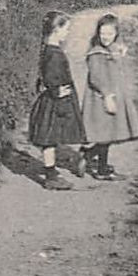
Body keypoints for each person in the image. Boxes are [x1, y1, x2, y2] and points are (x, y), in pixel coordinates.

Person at [28, 11, 87, 191]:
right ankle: (51, 176)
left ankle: (51, 173)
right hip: (55, 101)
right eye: (66, 29)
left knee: (50, 138)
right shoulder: (54, 53)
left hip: (52, 99)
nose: (67, 33)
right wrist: (56, 90)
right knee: (49, 138)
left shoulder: (49, 49)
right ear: (56, 29)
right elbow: (50, 76)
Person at [80, 14, 138, 181]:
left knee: (108, 134)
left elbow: (116, 67)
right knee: (106, 135)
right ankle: (95, 162)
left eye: (109, 33)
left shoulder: (111, 50)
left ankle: (94, 159)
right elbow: (95, 78)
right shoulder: (95, 53)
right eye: (102, 33)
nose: (105, 37)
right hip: (102, 98)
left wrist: (118, 54)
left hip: (112, 96)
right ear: (97, 34)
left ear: (116, 33)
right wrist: (107, 95)